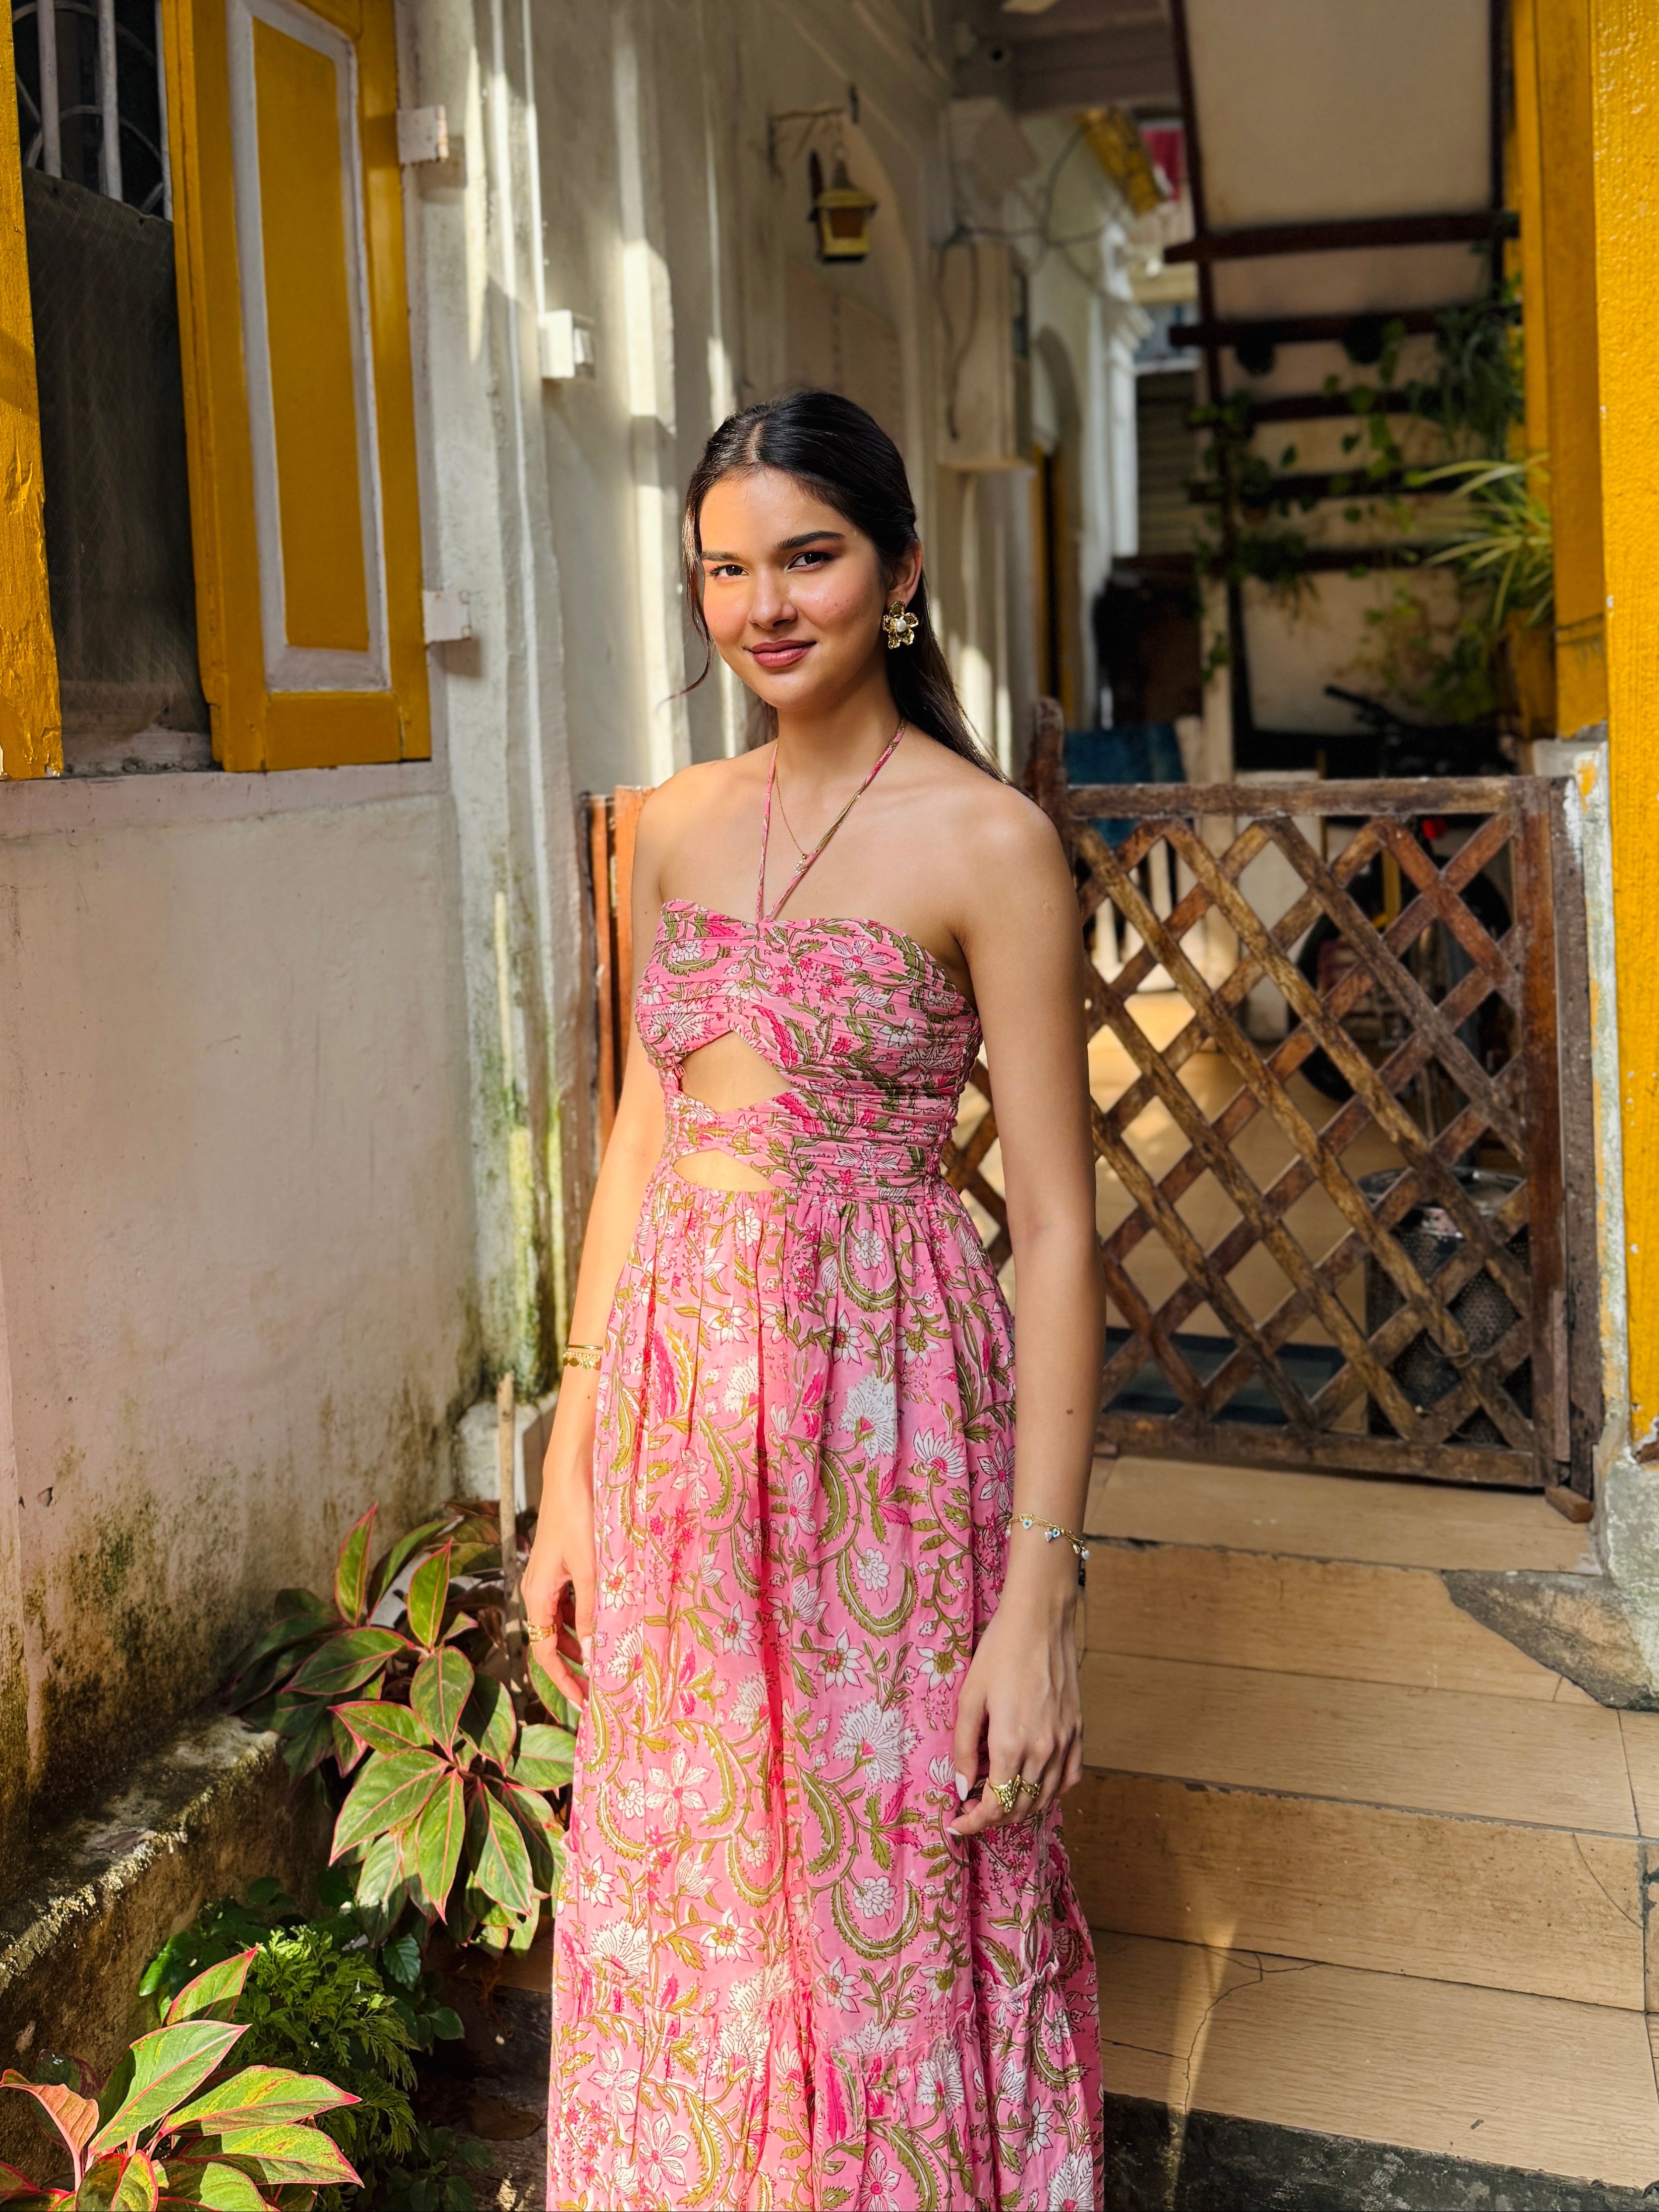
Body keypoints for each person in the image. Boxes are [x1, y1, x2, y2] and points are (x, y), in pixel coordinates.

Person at [526, 390, 1104, 2212]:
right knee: (687, 1855)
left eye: (808, 557)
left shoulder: (986, 841)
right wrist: (568, 1468)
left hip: (894, 1421)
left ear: (899, 571)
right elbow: (640, 1135)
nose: (763, 606)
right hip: (679, 1413)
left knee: (899, 1858)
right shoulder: (670, 825)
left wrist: (1039, 1598)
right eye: (723, 570)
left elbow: (1058, 1232)